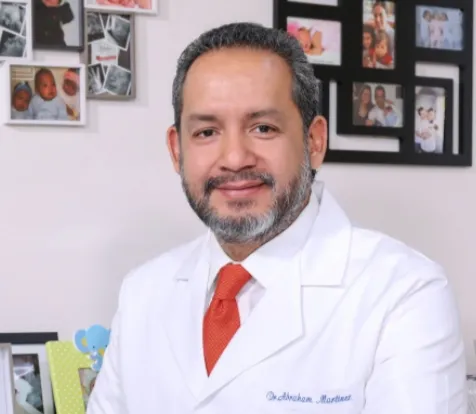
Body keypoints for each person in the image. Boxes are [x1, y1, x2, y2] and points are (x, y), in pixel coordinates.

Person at [86, 22, 467, 413]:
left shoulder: (405, 293)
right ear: (176, 150)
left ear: (314, 141)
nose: (235, 158)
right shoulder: (142, 292)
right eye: (206, 132)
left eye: (263, 128)